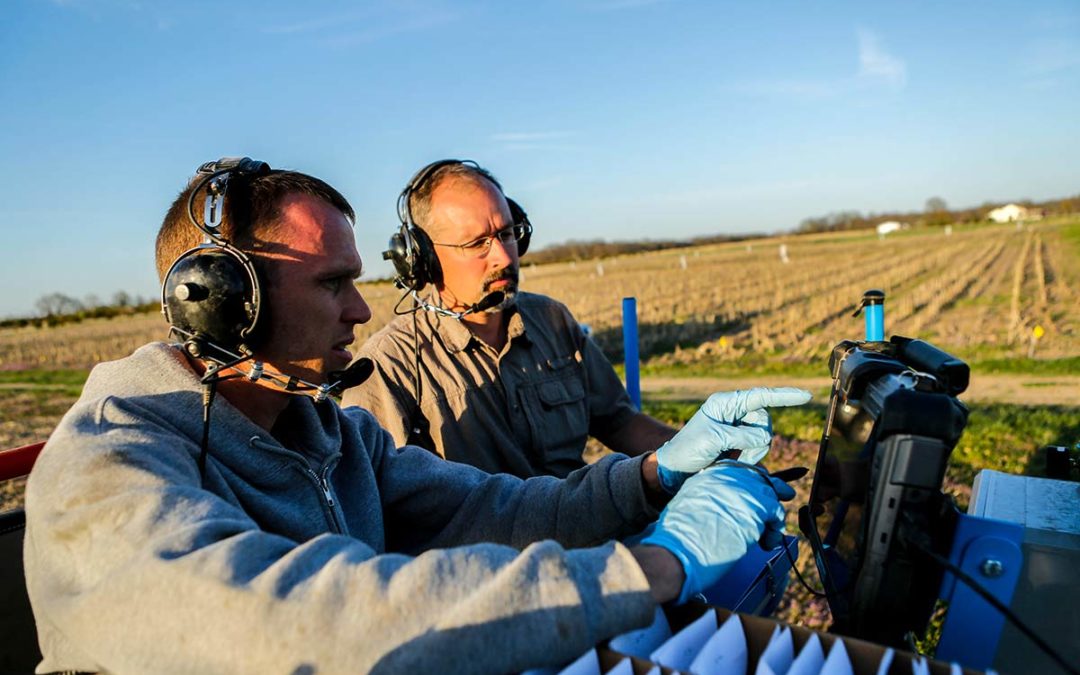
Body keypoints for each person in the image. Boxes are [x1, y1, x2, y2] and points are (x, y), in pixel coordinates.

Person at [23, 158, 806, 673]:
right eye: (334, 284)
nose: (361, 309)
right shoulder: (107, 463)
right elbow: (302, 623)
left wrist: (653, 472)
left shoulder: (328, 432)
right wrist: (653, 568)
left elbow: (491, 504)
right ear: (228, 307)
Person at [342, 160, 807, 479]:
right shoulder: (392, 365)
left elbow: (618, 421)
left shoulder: (552, 321)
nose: (504, 256)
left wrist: (708, 453)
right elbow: (389, 501)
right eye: (477, 243)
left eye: (507, 233)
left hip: (593, 539)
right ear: (420, 258)